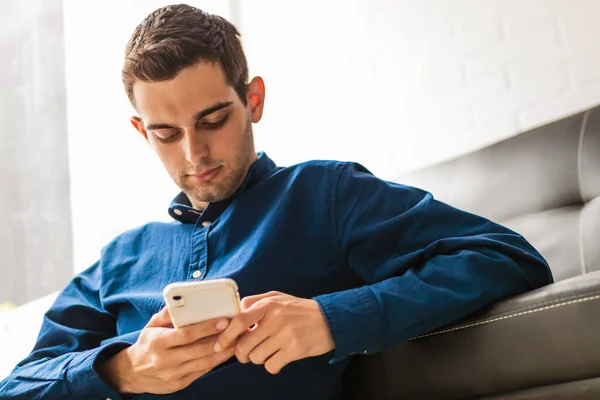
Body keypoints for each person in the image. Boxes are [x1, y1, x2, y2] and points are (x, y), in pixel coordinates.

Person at [0, 4, 552, 400]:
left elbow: (507, 257)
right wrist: (125, 370)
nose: (195, 153)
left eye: (213, 120)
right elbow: (18, 383)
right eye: (167, 133)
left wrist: (331, 319)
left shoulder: (324, 194)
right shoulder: (121, 257)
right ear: (141, 132)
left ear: (253, 100)